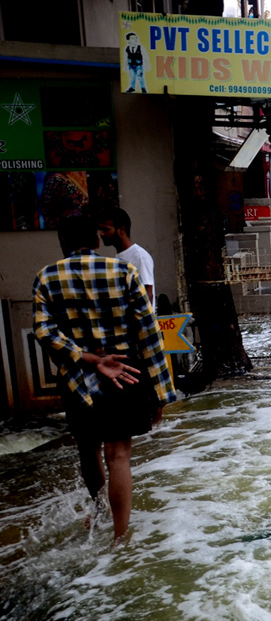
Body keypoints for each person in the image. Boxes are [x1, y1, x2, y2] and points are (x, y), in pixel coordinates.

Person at [32, 216, 176, 543]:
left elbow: (44, 332)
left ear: (63, 244)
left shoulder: (46, 277)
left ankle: (98, 512)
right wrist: (161, 392)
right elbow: (150, 334)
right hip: (124, 372)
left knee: (88, 449)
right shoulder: (124, 272)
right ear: (97, 241)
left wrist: (90, 358)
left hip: (77, 378)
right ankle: (121, 538)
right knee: (119, 455)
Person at [97, 207, 155, 311]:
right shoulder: (120, 257)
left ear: (122, 230)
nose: (101, 234)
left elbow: (147, 294)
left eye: (106, 229)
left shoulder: (139, 256)